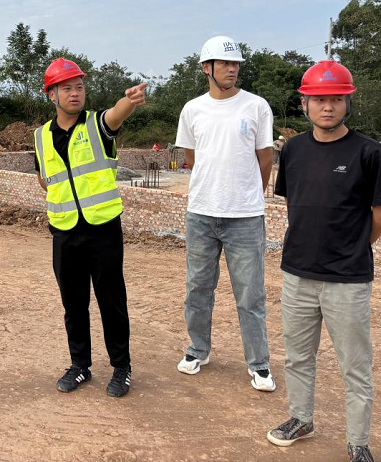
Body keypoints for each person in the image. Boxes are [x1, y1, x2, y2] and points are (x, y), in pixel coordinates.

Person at [266, 61, 381, 462]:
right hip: (298, 273)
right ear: (304, 103)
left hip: (348, 279)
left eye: (336, 99)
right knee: (298, 356)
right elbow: (296, 202)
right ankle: (301, 419)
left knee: (354, 365)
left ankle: (358, 443)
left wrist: (354, 245)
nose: (327, 107)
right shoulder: (293, 150)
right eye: (319, 99)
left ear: (347, 103)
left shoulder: (370, 153)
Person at [33, 57, 146, 398]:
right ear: (51, 95)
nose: (75, 93)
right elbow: (44, 178)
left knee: (112, 302)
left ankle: (121, 368)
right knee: (74, 304)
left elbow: (117, 114)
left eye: (79, 87)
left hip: (102, 230)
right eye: (66, 88)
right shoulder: (40, 136)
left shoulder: (97, 125)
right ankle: (79, 365)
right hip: (64, 231)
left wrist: (129, 101)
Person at [174, 35, 276, 391]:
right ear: (207, 67)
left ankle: (259, 363)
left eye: (235, 64)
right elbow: (190, 157)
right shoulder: (193, 109)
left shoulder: (256, 106)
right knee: (198, 288)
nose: (232, 69)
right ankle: (197, 350)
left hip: (245, 217)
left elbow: (265, 157)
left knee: (250, 294)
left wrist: (249, 195)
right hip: (201, 214)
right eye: (225, 63)